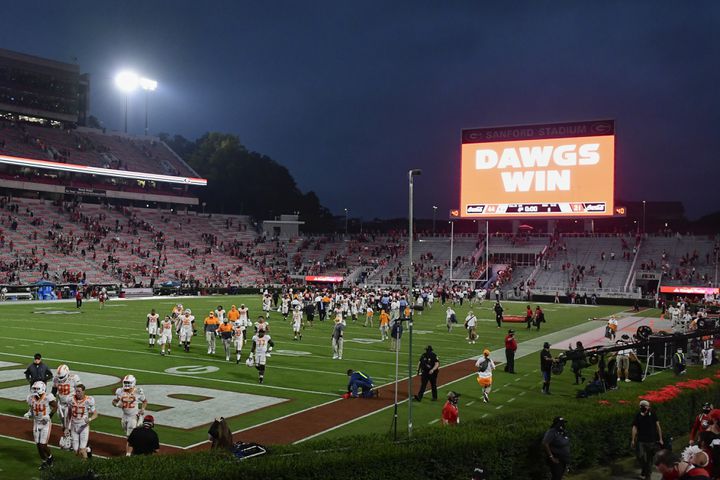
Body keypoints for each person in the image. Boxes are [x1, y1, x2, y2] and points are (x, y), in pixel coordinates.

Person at [25, 381, 58, 470]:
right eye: (34, 388)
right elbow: (32, 408)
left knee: (43, 445)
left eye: (37, 388)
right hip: (36, 423)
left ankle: (50, 458)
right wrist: (29, 413)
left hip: (45, 424)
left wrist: (49, 415)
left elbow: (55, 406)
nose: (35, 390)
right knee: (38, 444)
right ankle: (44, 461)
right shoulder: (31, 398)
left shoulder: (47, 397)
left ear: (43, 389)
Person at [112, 375, 147, 452]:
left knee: (130, 437)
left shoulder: (138, 392)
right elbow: (115, 401)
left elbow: (144, 401)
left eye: (128, 382)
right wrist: (116, 404)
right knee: (129, 437)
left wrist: (142, 409)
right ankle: (137, 447)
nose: (127, 384)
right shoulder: (120, 391)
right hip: (124, 416)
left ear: (133, 383)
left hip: (133, 416)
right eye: (126, 382)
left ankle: (129, 454)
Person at [632, 399, 664, 480]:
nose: (643, 407)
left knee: (649, 459)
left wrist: (660, 438)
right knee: (640, 456)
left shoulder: (652, 414)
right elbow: (634, 427)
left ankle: (648, 475)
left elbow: (658, 426)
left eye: (645, 406)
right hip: (640, 440)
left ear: (648, 407)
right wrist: (633, 439)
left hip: (651, 440)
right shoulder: (638, 415)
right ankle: (645, 469)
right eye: (642, 406)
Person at [51, 364, 80, 450]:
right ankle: (68, 439)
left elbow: (80, 391)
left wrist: (77, 402)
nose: (60, 379)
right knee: (63, 425)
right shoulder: (56, 378)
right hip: (61, 404)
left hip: (70, 405)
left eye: (62, 377)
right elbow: (53, 391)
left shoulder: (74, 378)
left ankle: (72, 441)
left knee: (70, 424)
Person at [67, 383, 98, 459]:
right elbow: (69, 414)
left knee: (82, 449)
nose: (77, 393)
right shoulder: (71, 399)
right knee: (76, 451)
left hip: (83, 427)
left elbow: (95, 414)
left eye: (79, 391)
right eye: (76, 391)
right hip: (74, 426)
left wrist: (90, 419)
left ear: (84, 391)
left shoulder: (88, 400)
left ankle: (87, 468)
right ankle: (88, 449)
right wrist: (67, 427)